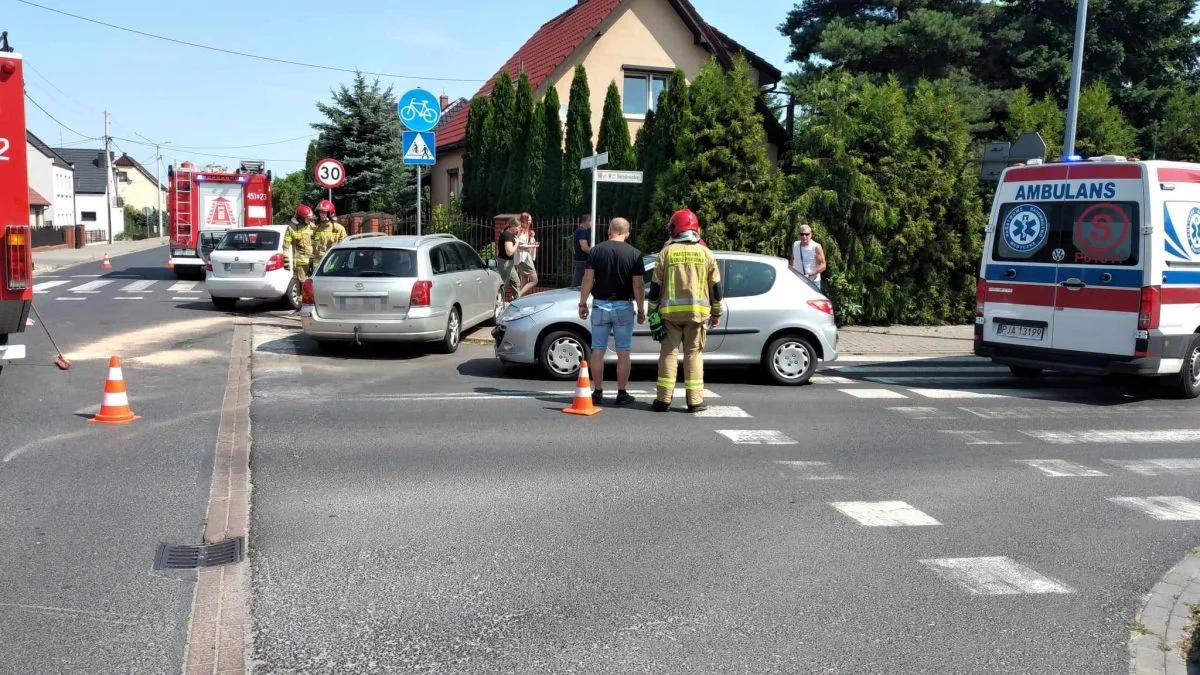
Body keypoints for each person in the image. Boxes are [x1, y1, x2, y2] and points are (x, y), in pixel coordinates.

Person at [647, 209, 722, 413]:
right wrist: (716, 313)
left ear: (676, 228)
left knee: (668, 355)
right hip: (697, 316)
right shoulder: (706, 253)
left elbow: (655, 287)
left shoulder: (667, 252)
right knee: (693, 355)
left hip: (670, 314)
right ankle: (695, 401)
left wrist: (651, 313)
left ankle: (663, 400)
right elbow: (716, 287)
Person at [579, 217, 646, 406]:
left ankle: (598, 392)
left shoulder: (596, 251)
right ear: (627, 233)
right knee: (623, 351)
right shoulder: (634, 254)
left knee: (597, 349)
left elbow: (587, 279)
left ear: (609, 230)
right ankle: (622, 393)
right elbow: (638, 285)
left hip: (600, 305)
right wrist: (640, 309)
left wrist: (583, 303)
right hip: (624, 306)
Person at [311, 199, 347, 269]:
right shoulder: (316, 229)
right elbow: (311, 246)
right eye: (320, 212)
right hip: (318, 264)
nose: (321, 215)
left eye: (324, 212)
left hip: (333, 263)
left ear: (330, 213)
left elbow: (344, 248)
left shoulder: (339, 228)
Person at [283, 204, 316, 283]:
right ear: (301, 218)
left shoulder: (311, 226)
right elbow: (285, 247)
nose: (310, 220)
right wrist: (286, 262)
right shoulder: (291, 228)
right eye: (307, 218)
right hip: (299, 264)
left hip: (311, 262)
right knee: (302, 283)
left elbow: (316, 243)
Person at [791, 223, 826, 289]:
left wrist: (810, 274)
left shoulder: (816, 247)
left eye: (807, 234)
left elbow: (823, 266)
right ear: (798, 235)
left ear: (811, 235)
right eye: (802, 234)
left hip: (812, 282)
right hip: (798, 281)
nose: (804, 236)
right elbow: (793, 259)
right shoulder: (795, 244)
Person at [496, 217, 521, 304]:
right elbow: (509, 252)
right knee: (503, 285)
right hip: (505, 263)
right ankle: (498, 304)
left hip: (509, 263)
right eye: (518, 227)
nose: (519, 229)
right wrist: (517, 244)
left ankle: (517, 303)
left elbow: (498, 250)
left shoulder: (508, 235)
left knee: (516, 282)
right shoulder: (507, 235)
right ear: (513, 226)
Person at [516, 212, 540, 296]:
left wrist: (532, 237)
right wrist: (533, 245)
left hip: (523, 257)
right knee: (534, 280)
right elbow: (521, 245)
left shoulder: (526, 231)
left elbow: (527, 243)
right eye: (528, 220)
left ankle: (518, 298)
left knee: (525, 279)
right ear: (523, 221)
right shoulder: (520, 230)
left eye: (530, 220)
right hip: (524, 257)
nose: (530, 222)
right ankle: (517, 296)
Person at [571, 214, 593, 287]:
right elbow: (584, 247)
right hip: (582, 260)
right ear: (587, 221)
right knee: (577, 284)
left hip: (580, 260)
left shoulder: (580, 230)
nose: (592, 223)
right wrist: (594, 253)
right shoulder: (582, 231)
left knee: (579, 283)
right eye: (591, 221)